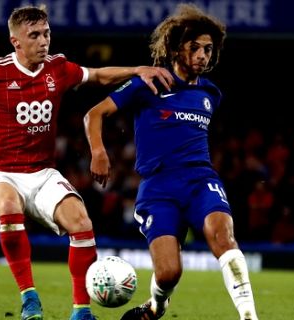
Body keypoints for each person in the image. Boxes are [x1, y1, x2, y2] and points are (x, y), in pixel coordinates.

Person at [0, 5, 173, 320]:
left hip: (42, 172)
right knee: (10, 206)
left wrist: (137, 69)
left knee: (82, 223)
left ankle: (81, 311)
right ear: (16, 42)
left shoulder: (59, 68)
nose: (44, 41)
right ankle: (30, 298)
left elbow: (98, 75)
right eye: (34, 36)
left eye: (46, 33)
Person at [83, 3, 259, 320]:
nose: (204, 55)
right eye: (196, 47)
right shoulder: (148, 84)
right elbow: (94, 114)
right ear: (177, 49)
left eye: (209, 48)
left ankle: (249, 316)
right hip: (158, 188)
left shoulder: (211, 94)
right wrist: (98, 151)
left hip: (200, 180)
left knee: (224, 238)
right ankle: (156, 307)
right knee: (168, 274)